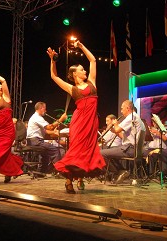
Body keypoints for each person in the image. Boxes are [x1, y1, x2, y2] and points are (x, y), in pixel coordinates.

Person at [47, 40, 106, 194]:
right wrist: (52, 60)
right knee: (76, 151)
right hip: (79, 123)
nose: (84, 71)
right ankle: (68, 180)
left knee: (88, 151)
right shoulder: (72, 88)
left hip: (92, 122)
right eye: (81, 69)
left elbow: (92, 60)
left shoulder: (92, 82)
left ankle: (79, 178)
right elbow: (54, 76)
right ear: (75, 74)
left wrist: (81, 46)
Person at [100, 100, 146, 184]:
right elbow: (121, 135)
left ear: (128, 108)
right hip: (132, 148)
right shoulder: (136, 117)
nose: (121, 111)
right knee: (109, 152)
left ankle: (120, 172)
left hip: (129, 149)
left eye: (122, 109)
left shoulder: (131, 117)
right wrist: (111, 128)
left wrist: (116, 124)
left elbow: (117, 129)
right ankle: (121, 172)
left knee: (101, 153)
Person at [26, 102, 67, 175]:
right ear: (41, 108)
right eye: (45, 108)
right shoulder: (37, 117)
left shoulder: (35, 117)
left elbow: (46, 130)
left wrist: (53, 132)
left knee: (45, 153)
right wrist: (61, 119)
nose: (46, 111)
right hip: (35, 141)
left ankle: (41, 172)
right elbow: (50, 127)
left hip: (33, 141)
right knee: (55, 150)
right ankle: (60, 171)